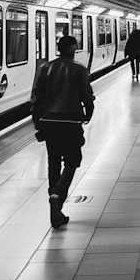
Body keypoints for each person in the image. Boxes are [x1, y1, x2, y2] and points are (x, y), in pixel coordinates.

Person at [31, 35, 95, 228]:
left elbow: (35, 99)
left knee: (53, 162)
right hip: (71, 121)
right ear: (74, 48)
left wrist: (38, 123)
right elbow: (87, 95)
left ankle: (53, 198)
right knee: (72, 160)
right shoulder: (79, 69)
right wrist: (88, 114)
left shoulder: (45, 68)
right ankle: (58, 196)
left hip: (49, 122)